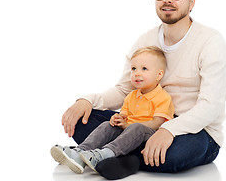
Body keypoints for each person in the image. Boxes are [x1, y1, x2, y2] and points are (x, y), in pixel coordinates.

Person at [61, 0, 226, 180]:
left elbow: (210, 106)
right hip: (143, 122)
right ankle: (115, 153)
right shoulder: (145, 40)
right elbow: (124, 89)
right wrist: (86, 100)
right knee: (82, 120)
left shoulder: (210, 41)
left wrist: (169, 130)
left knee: (174, 154)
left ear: (192, 2)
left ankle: (117, 156)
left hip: (195, 130)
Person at [51, 46, 174, 175]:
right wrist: (117, 119)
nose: (137, 73)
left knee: (136, 128)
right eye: (133, 69)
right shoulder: (131, 96)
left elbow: (157, 123)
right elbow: (123, 116)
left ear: (159, 74)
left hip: (148, 134)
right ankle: (80, 153)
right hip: (128, 131)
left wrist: (128, 125)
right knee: (107, 125)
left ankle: (105, 154)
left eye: (144, 69)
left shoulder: (163, 97)